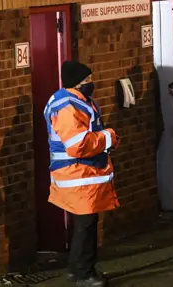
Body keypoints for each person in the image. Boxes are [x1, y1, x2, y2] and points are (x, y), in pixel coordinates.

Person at [44, 61, 120, 287]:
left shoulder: (70, 101)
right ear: (76, 82)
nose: (90, 83)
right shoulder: (68, 106)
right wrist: (109, 137)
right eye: (87, 80)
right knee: (85, 225)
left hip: (80, 174)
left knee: (85, 224)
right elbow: (78, 144)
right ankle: (83, 274)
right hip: (78, 174)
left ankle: (80, 268)